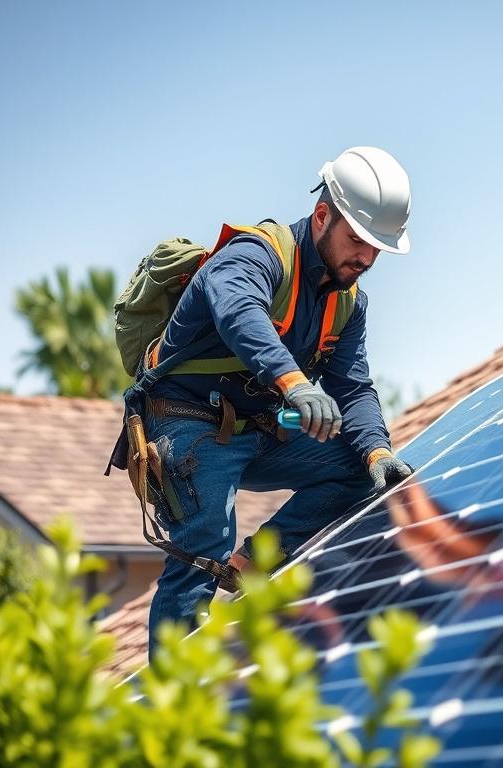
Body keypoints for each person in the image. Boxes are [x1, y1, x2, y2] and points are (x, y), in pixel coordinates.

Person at [143, 147, 414, 657]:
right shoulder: (256, 256)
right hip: (185, 421)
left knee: (359, 471)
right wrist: (294, 384)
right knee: (202, 547)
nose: (366, 257)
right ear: (322, 216)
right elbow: (239, 311)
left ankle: (254, 564)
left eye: (377, 247)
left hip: (255, 428)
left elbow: (353, 387)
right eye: (357, 239)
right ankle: (168, 703)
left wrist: (378, 452)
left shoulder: (348, 302)